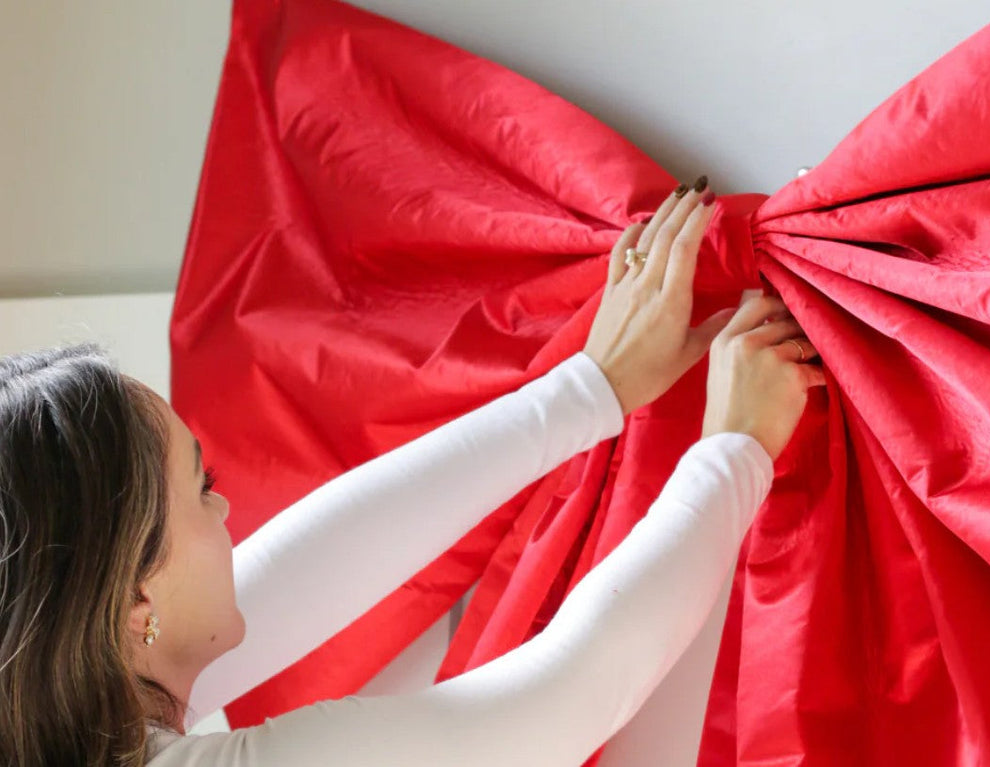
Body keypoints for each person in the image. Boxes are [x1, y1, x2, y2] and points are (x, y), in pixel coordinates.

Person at [0, 177, 826, 766]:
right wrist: (736, 450)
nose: (228, 509)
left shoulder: (71, 688)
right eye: (201, 485)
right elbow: (555, 706)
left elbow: (317, 561)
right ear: (135, 596)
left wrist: (590, 390)